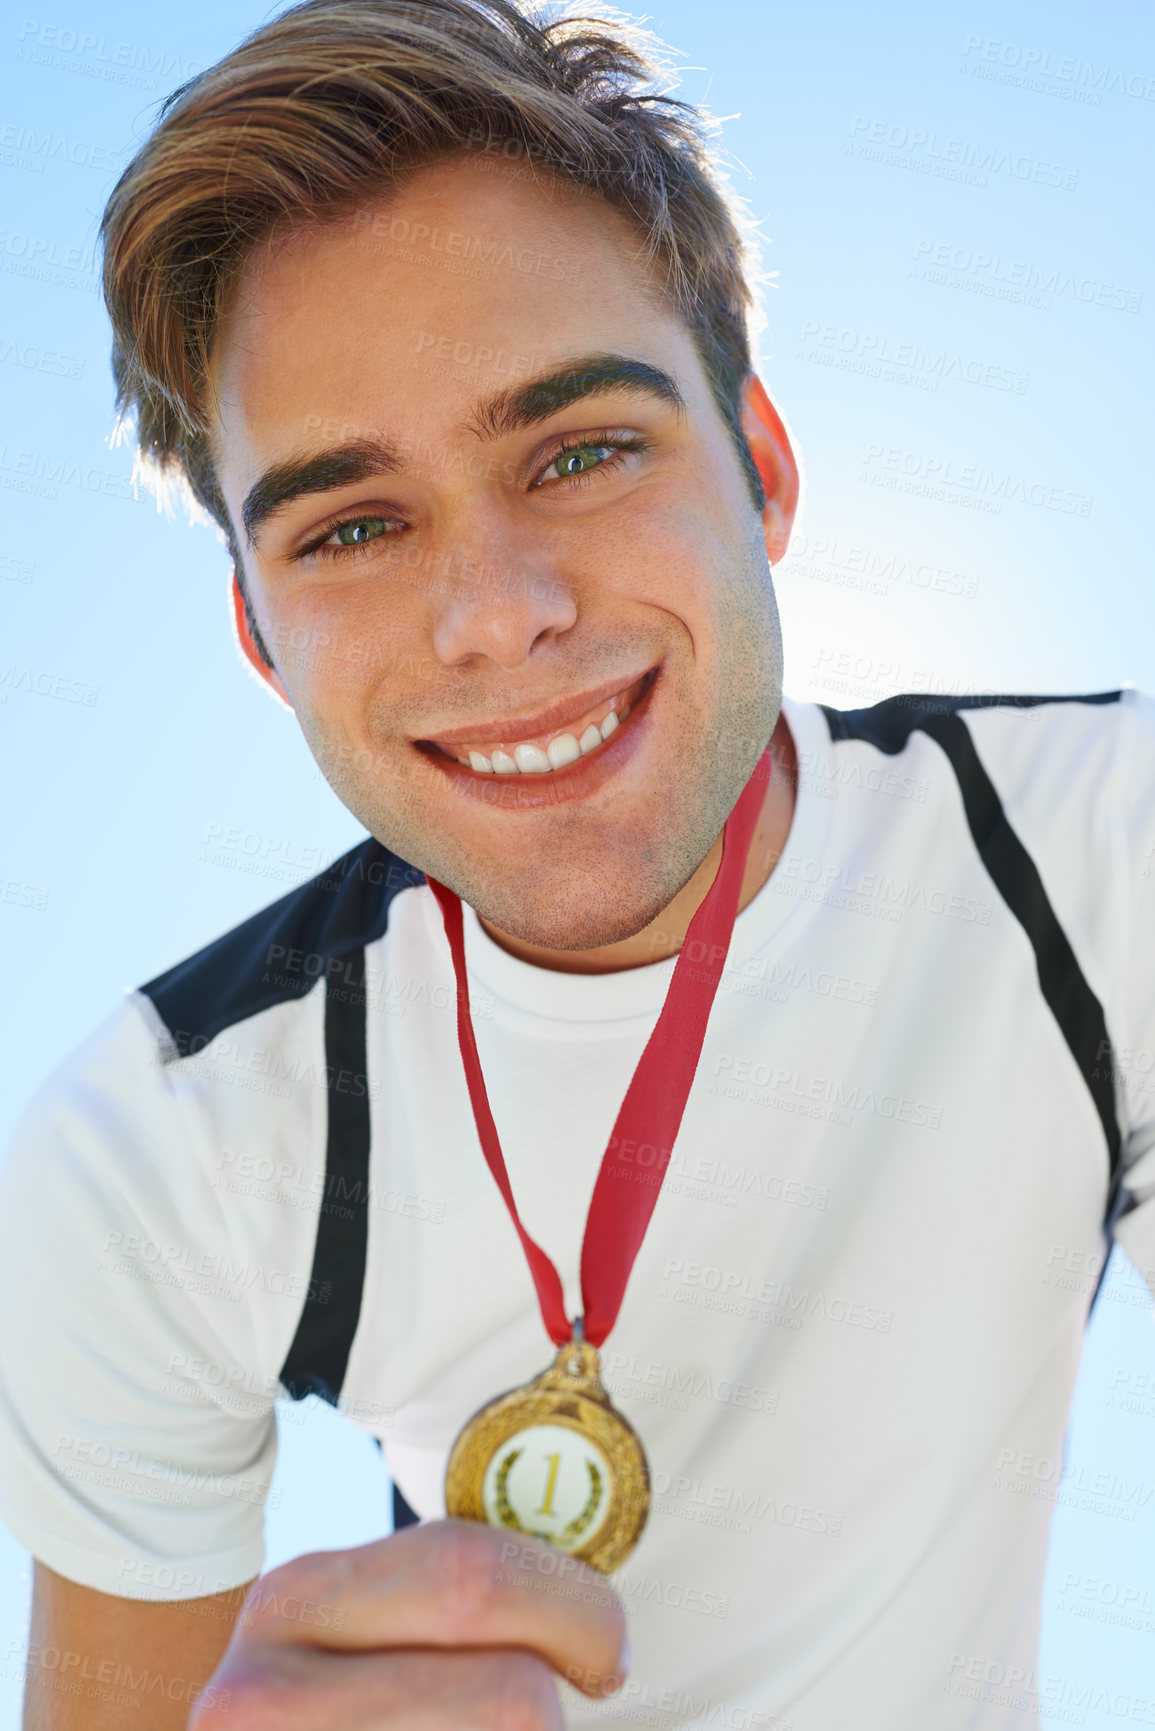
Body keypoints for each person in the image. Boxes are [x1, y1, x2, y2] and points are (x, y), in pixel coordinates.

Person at [1, 0, 1153, 1726]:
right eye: (355, 527)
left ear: (761, 471)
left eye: (586, 450)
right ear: (262, 636)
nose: (499, 619)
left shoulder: (1093, 848)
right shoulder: (161, 1151)